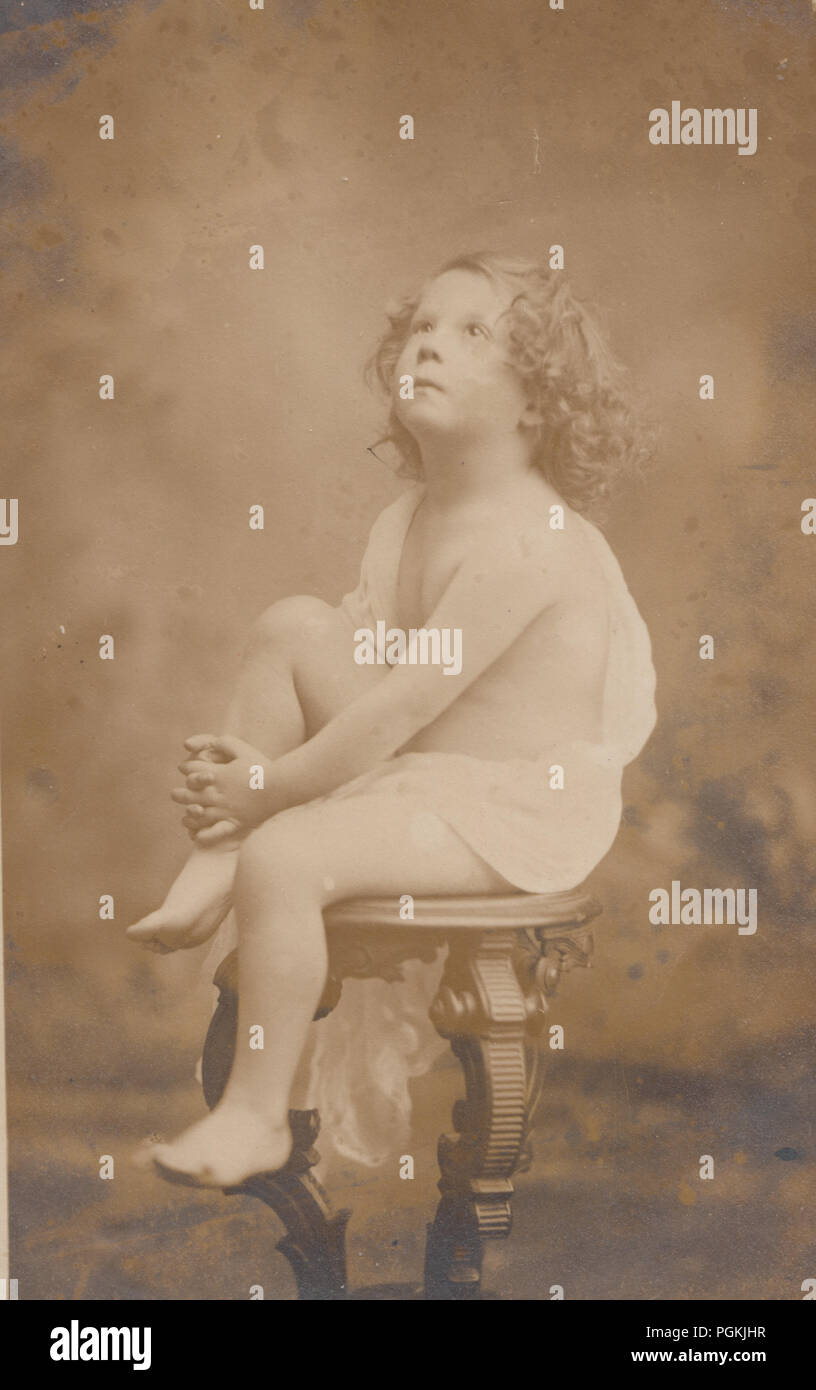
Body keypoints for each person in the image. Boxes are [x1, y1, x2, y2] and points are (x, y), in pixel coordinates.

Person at [127, 251, 657, 1187]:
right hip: (427, 762)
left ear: (538, 404)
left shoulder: (531, 540)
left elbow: (397, 708)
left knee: (285, 853)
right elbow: (374, 672)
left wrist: (270, 792)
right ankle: (212, 857)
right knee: (292, 624)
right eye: (421, 326)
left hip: (506, 805)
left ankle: (257, 1117)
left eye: (472, 333)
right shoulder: (409, 518)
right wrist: (262, 789)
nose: (430, 344)